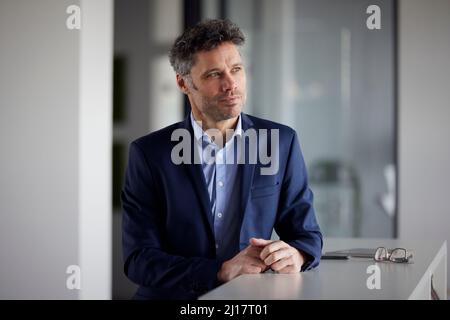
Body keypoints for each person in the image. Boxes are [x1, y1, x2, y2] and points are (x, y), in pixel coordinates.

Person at [121, 19, 322, 300]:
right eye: (214, 74)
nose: (230, 84)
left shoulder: (281, 143)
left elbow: (307, 235)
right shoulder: (149, 154)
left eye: (236, 70)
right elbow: (139, 260)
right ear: (183, 83)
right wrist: (220, 271)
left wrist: (297, 255)